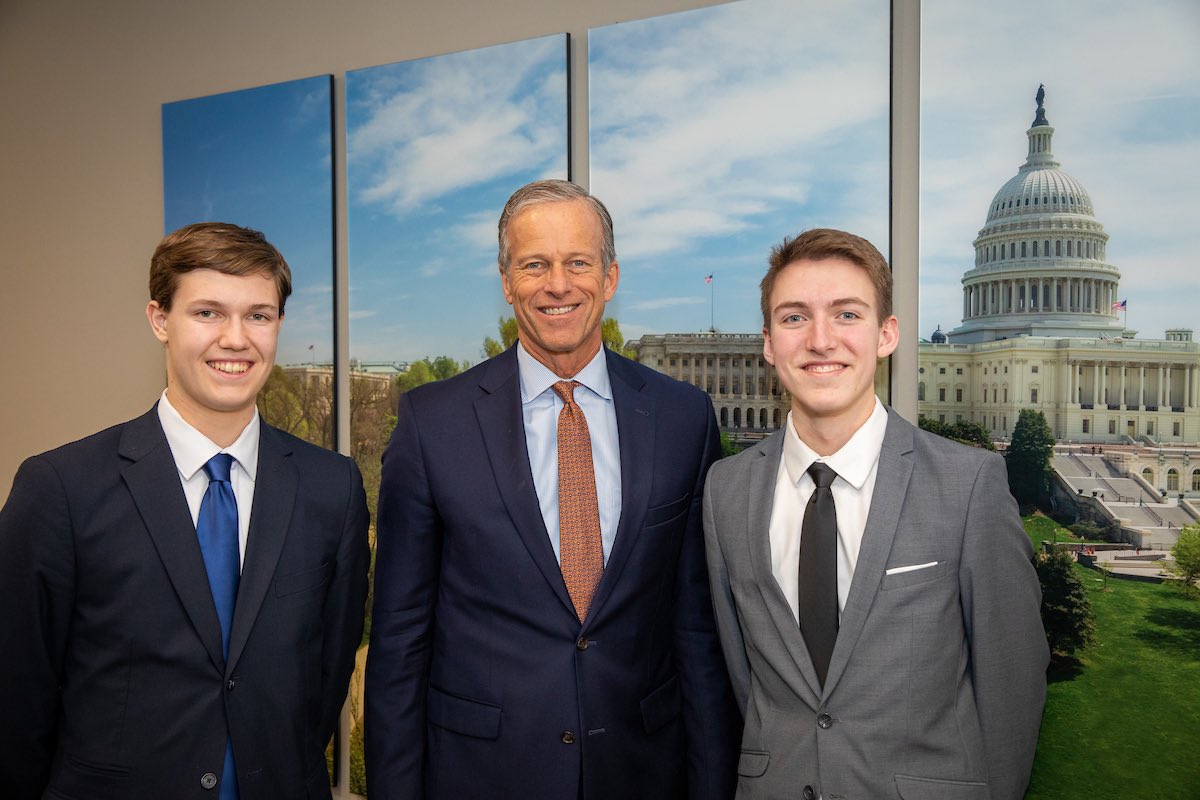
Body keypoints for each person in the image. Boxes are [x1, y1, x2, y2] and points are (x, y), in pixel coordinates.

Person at [365, 179, 740, 799]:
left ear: (610, 277)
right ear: (507, 281)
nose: (557, 284)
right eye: (534, 264)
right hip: (482, 777)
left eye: (578, 263)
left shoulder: (683, 418)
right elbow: (399, 643)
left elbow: (696, 632)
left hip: (643, 772)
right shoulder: (432, 423)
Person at [0, 222, 370, 799]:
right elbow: (17, 702)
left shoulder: (333, 489)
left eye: (258, 315)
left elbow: (325, 680)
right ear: (159, 320)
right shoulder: (60, 489)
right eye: (207, 313)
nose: (235, 339)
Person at [702, 229, 1047, 799]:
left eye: (846, 314)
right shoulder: (726, 490)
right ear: (768, 343)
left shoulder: (967, 484)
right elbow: (743, 677)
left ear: (886, 334)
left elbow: (1011, 684)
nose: (820, 340)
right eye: (794, 318)